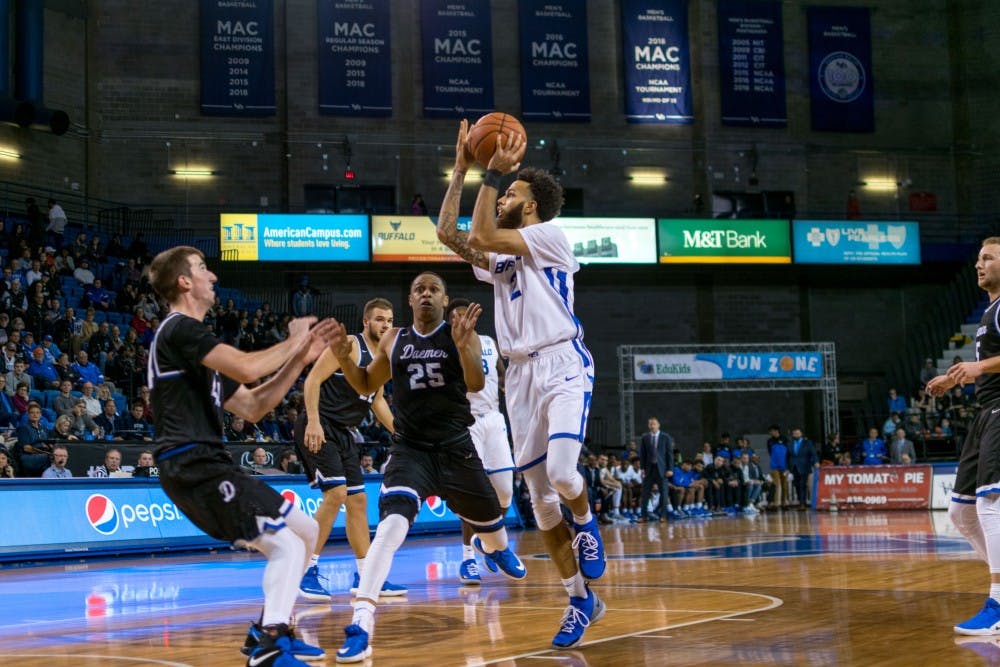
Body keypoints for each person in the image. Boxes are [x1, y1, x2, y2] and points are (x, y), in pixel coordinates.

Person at [436, 121, 605, 649]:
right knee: (539, 502)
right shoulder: (505, 254)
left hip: (561, 362)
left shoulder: (550, 236)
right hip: (520, 377)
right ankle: (581, 599)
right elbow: (450, 235)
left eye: (511, 193)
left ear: (530, 207)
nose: (504, 196)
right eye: (504, 191)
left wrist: (492, 171)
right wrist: (462, 169)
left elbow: (483, 233)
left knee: (560, 472)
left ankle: (588, 517)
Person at [147, 245, 338, 667]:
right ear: (184, 282)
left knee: (306, 531)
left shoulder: (197, 349)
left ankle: (271, 628)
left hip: (207, 463)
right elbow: (249, 369)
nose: (212, 276)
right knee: (287, 546)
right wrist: (293, 341)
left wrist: (299, 361)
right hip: (191, 463)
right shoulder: (180, 329)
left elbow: (254, 405)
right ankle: (269, 647)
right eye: (202, 269)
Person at [327, 272, 525, 663]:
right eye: (420, 289)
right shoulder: (394, 338)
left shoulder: (456, 335)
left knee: (493, 521)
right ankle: (361, 623)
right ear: (410, 299)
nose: (427, 295)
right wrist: (343, 360)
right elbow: (367, 384)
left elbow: (474, 380)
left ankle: (496, 547)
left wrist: (465, 343)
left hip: (455, 449)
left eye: (434, 289)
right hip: (411, 450)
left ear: (445, 299)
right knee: (390, 527)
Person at [294, 297, 405, 601]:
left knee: (358, 502)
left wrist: (400, 431)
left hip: (343, 433)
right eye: (380, 319)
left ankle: (367, 576)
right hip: (319, 424)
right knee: (337, 494)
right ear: (366, 322)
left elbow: (377, 399)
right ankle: (304, 570)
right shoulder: (350, 347)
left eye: (390, 319)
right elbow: (313, 380)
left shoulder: (384, 357)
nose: (385, 325)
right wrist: (313, 421)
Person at [924, 237, 1000, 636]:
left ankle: (999, 601)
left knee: (990, 502)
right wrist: (957, 376)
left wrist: (978, 368)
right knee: (960, 512)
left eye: (988, 258)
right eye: (977, 258)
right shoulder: (990, 310)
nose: (978, 264)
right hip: (985, 413)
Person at [444, 297, 517, 585]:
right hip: (467, 421)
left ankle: (487, 544)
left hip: (494, 419)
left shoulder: (488, 341)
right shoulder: (447, 347)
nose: (461, 320)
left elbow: (501, 374)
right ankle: (467, 559)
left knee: (505, 493)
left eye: (465, 314)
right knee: (473, 494)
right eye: (455, 316)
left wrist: (510, 385)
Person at [638, 417, 674, 522]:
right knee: (645, 493)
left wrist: (670, 469)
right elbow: (643, 454)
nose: (652, 426)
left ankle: (663, 516)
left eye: (654, 424)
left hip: (662, 469)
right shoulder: (645, 437)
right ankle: (644, 516)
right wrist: (642, 468)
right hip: (649, 468)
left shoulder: (665, 437)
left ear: (658, 425)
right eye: (650, 424)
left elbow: (669, 454)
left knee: (664, 493)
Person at [787, 428, 819, 510]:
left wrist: (816, 461)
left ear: (801, 434)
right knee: (797, 485)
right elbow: (787, 456)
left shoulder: (807, 442)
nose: (796, 435)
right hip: (794, 467)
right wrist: (787, 468)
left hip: (804, 466)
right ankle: (801, 501)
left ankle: (802, 503)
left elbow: (813, 453)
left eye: (797, 433)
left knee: (802, 484)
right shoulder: (790, 443)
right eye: (794, 434)